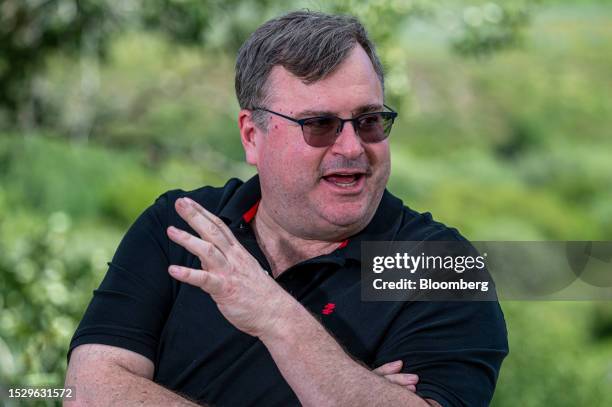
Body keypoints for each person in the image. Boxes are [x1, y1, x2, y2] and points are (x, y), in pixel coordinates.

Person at [65, 11, 508, 407]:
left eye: (370, 120)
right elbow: (87, 391)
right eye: (319, 125)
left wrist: (273, 313)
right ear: (252, 135)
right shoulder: (183, 224)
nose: (353, 146)